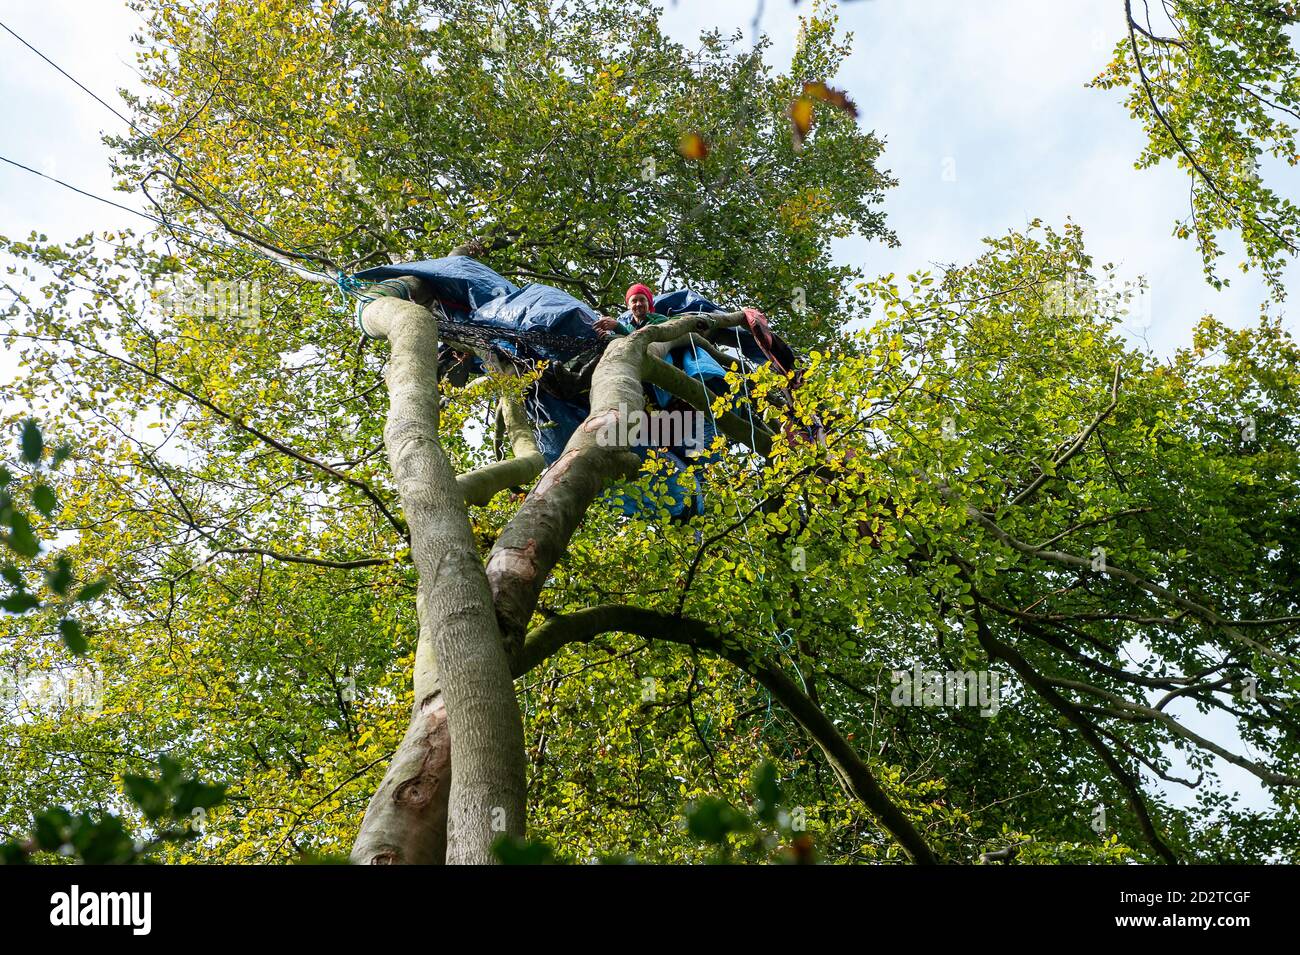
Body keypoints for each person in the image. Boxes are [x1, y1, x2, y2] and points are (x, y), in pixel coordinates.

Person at [593, 283, 667, 338]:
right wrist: (607, 337)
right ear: (628, 306)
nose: (638, 304)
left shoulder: (660, 319)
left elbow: (643, 339)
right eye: (634, 301)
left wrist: (617, 326)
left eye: (642, 300)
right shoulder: (628, 327)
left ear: (649, 303)